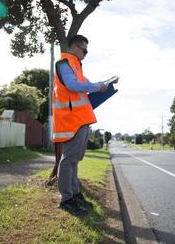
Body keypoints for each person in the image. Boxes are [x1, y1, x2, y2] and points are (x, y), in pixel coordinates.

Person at [53, 34, 113, 216]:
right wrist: (97, 87)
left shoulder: (75, 66)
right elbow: (73, 86)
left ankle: (74, 194)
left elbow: (85, 84)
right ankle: (66, 200)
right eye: (84, 50)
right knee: (69, 160)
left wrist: (104, 84)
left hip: (80, 120)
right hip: (71, 121)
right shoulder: (64, 63)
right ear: (74, 47)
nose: (86, 53)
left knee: (74, 161)